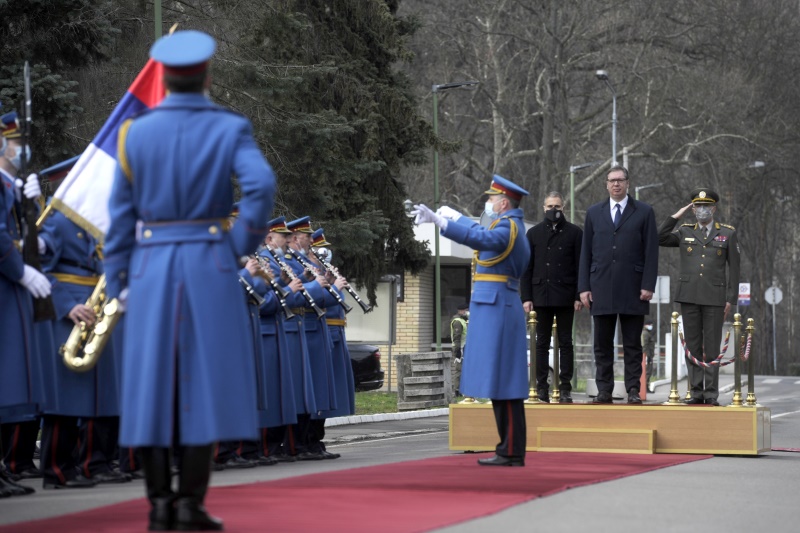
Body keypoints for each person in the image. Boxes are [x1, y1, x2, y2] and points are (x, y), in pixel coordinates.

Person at [103, 30, 276, 530]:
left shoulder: (134, 133)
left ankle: (159, 503)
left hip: (151, 265)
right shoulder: (229, 126)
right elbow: (261, 185)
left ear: (164, 79)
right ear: (206, 75)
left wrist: (118, 282)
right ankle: (192, 503)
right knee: (207, 383)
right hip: (209, 261)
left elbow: (119, 219)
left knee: (150, 384)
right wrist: (237, 244)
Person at [412, 175, 531, 467]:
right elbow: (480, 231)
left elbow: (483, 238)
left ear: (503, 203)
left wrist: (444, 225)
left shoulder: (508, 227)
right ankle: (508, 447)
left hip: (499, 307)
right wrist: (456, 219)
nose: (488, 203)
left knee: (506, 383)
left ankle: (512, 449)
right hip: (496, 306)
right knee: (502, 383)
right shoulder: (507, 225)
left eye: (491, 199)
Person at [0, 109, 50, 498]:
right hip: (5, 283)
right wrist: (19, 270)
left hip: (11, 286)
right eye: (17, 144)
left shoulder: (9, 185)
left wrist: (27, 202)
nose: (22, 150)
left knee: (11, 379)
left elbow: (18, 232)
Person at [578, 165, 658, 405]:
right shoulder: (594, 213)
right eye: (612, 180)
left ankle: (633, 389)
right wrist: (584, 287)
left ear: (628, 183)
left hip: (634, 288)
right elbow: (586, 253)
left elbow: (651, 251)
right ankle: (604, 391)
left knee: (633, 344)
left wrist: (648, 285)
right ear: (606, 184)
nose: (616, 184)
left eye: (620, 180)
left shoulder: (644, 212)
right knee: (601, 344)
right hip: (600, 287)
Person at [658, 188, 740, 406]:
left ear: (714, 208)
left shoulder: (728, 234)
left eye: (706, 206)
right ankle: (696, 391)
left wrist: (730, 300)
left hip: (715, 297)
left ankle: (711, 393)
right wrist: (676, 216)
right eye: (698, 206)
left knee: (712, 347)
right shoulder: (685, 231)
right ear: (693, 209)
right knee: (692, 346)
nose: (702, 210)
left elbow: (735, 270)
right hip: (689, 296)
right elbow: (659, 237)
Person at [520, 191, 583, 403]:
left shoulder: (575, 233)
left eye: (557, 207)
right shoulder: (534, 234)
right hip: (541, 296)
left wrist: (578, 296)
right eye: (549, 207)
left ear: (563, 208)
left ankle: (565, 387)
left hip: (566, 296)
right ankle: (541, 387)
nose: (553, 211)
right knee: (541, 343)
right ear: (543, 208)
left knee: (566, 343)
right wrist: (526, 297)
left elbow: (579, 267)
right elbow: (526, 268)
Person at [449, 303, 469, 396]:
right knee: (459, 370)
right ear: (461, 311)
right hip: (460, 348)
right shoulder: (457, 321)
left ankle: (463, 389)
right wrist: (457, 352)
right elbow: (457, 337)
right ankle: (457, 391)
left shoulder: (463, 320)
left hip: (464, 347)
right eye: (465, 310)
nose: (467, 312)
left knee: (464, 370)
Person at [641, 319, 656, 391]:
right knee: (647, 372)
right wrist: (646, 356)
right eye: (650, 325)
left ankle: (646, 386)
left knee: (649, 372)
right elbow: (645, 345)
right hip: (647, 356)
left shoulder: (647, 333)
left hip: (649, 355)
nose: (651, 326)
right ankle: (645, 387)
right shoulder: (645, 333)